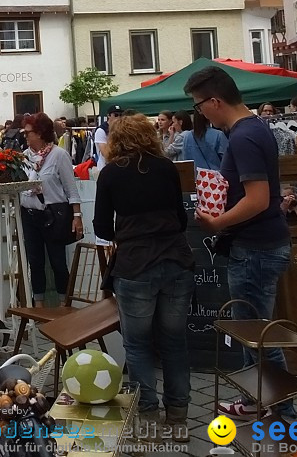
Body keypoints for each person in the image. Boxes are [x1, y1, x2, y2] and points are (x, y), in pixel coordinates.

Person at [185, 66, 297, 420]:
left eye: (199, 105)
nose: (199, 113)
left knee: (258, 336)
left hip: (256, 248)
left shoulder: (244, 136)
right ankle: (260, 402)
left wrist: (216, 222)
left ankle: (282, 412)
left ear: (215, 101)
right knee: (252, 334)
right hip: (259, 245)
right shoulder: (252, 130)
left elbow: (258, 199)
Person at [93, 113, 193, 441]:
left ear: (118, 140)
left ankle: (148, 418)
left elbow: (103, 228)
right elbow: (180, 219)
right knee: (174, 341)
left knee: (137, 344)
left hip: (135, 264)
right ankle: (178, 419)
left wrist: (127, 230)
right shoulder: (166, 168)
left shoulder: (110, 174)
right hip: (175, 259)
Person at [19, 112, 83, 305]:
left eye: (28, 132)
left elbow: (71, 189)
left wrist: (77, 215)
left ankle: (65, 303)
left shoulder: (58, 155)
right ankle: (38, 304)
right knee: (35, 261)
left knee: (57, 262)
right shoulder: (24, 157)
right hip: (29, 214)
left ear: (40, 133)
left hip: (53, 214)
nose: (25, 136)